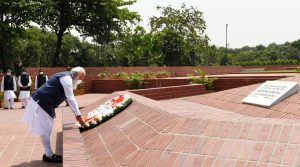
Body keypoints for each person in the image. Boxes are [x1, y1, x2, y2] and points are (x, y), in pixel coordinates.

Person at [23, 67, 87, 163]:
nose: (81, 81)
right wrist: (78, 115)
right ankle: (48, 155)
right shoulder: (67, 79)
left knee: (47, 127)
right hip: (43, 101)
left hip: (44, 101)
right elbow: (70, 98)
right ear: (77, 75)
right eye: (81, 78)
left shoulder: (65, 76)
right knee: (46, 127)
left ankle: (48, 154)